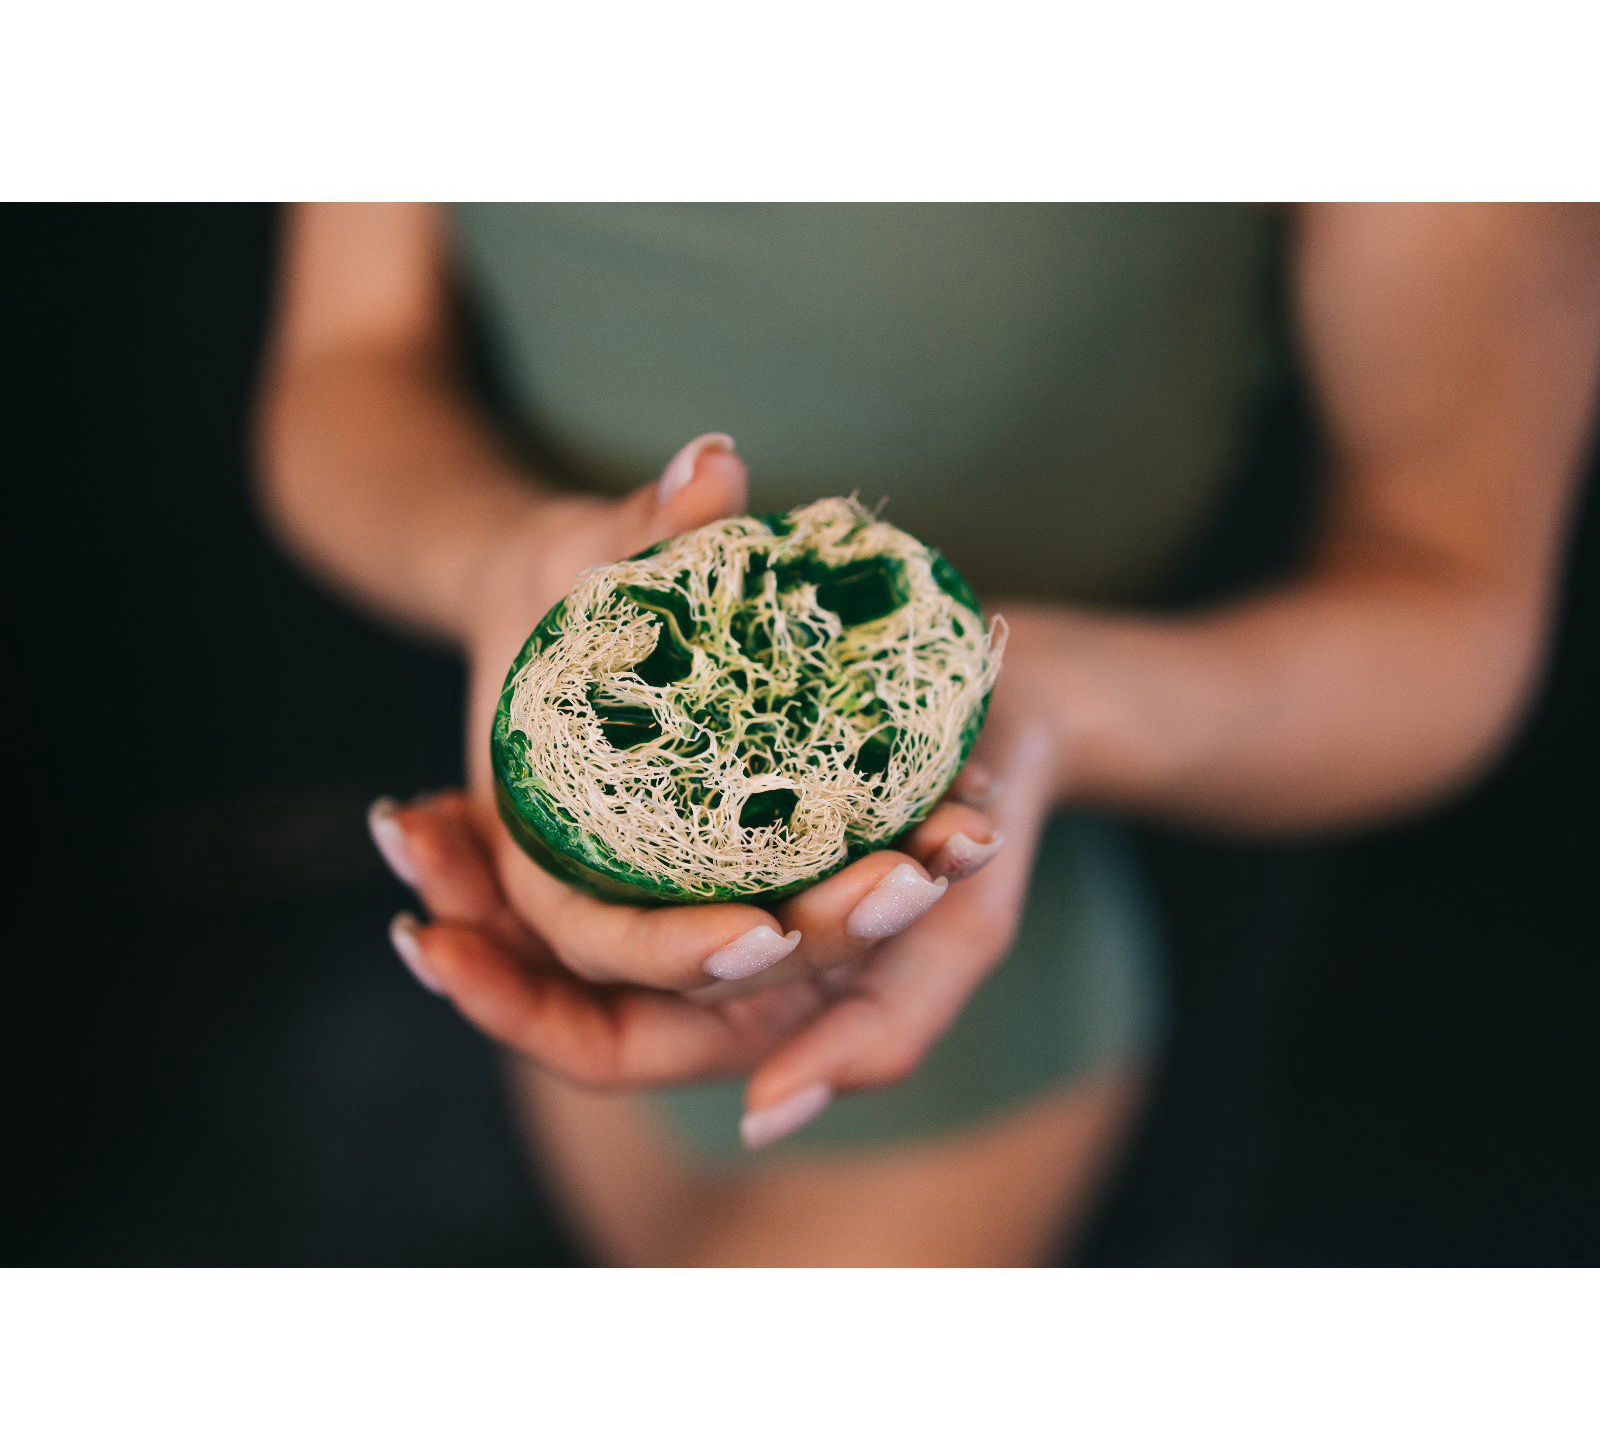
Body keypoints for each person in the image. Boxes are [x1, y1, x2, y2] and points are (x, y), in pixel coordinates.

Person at [256, 203, 1600, 1266]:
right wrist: (498, 559)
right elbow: (346, 365)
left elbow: (1452, 601)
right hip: (578, 859)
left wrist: (1042, 710)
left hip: (1005, 958)